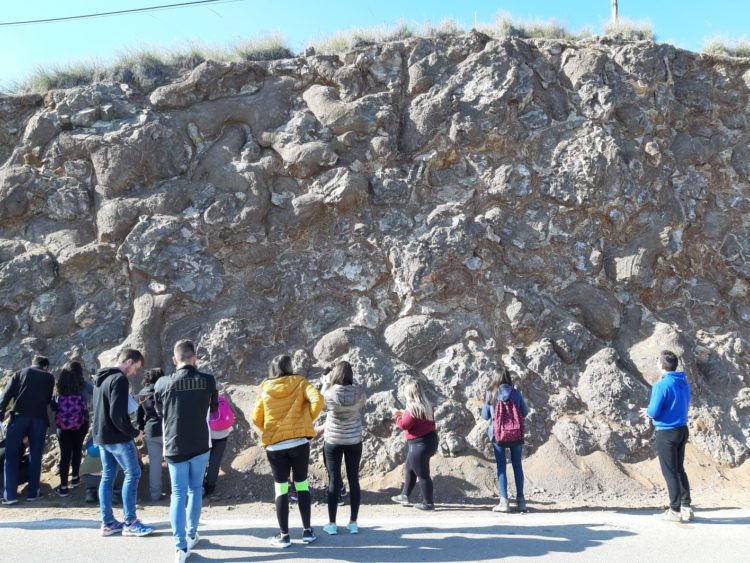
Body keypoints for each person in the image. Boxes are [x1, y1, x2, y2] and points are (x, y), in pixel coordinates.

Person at [154, 340, 218, 563]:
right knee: (195, 490)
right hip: (200, 443)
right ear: (195, 358)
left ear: (175, 360)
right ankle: (192, 534)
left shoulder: (163, 383)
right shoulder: (208, 380)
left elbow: (158, 410)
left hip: (174, 445)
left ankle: (180, 547)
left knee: (178, 494)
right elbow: (214, 410)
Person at [252, 355, 323, 548]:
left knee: (281, 488)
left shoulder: (265, 387)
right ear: (290, 367)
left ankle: (284, 536)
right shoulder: (300, 382)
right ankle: (307, 532)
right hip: (299, 443)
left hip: (275, 446)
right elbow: (318, 400)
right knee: (302, 485)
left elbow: (256, 417)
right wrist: (307, 420)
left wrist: (270, 429)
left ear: (272, 370)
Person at [92, 348, 153, 537]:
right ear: (128, 362)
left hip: (101, 436)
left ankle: (108, 522)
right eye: (135, 367)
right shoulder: (119, 380)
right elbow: (117, 415)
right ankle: (131, 522)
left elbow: (108, 408)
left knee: (108, 476)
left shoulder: (101, 379)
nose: (135, 372)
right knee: (133, 474)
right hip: (117, 437)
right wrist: (135, 432)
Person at [640, 350, 693, 522]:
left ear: (662, 365)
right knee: (679, 469)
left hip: (667, 432)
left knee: (669, 472)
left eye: (657, 361)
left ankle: (674, 511)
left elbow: (654, 411)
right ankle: (686, 507)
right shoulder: (683, 382)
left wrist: (647, 412)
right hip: (682, 429)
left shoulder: (661, 385)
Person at [1, 355, 55, 504]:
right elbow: (48, 398)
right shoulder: (49, 377)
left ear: (33, 363)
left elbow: (5, 395)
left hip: (19, 416)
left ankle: (10, 496)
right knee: (35, 455)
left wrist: (1, 412)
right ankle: (33, 493)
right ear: (45, 366)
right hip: (39, 419)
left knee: (11, 455)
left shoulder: (19, 373)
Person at [320, 361, 366, 535]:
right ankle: (353, 523)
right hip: (354, 439)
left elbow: (321, 404)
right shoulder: (359, 392)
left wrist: (325, 382)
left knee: (334, 480)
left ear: (336, 375)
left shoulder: (329, 393)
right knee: (354, 479)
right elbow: (361, 398)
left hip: (333, 439)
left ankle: (332, 524)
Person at [481, 367, 529, 513]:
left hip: (498, 435)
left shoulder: (491, 394)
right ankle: (521, 501)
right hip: (515, 434)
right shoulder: (516, 393)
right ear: (508, 378)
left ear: (495, 379)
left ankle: (504, 502)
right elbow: (525, 412)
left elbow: (485, 416)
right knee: (517, 466)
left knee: (501, 466)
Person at [391, 379, 438, 511]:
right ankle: (404, 495)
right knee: (410, 468)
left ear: (409, 394)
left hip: (418, 445)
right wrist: (402, 414)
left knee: (422, 474)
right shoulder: (426, 405)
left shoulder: (413, 409)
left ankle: (428, 503)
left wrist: (396, 415)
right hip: (429, 441)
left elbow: (403, 425)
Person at [53, 361, 90, 497]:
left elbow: (54, 408)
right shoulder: (83, 388)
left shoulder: (59, 390)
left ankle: (63, 488)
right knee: (77, 450)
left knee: (65, 455)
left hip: (62, 428)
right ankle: (75, 479)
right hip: (80, 425)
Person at [137, 368, 167, 502]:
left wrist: (141, 429)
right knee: (173, 461)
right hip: (166, 429)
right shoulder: (164, 390)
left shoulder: (142, 393)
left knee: (154, 464)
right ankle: (177, 492)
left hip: (150, 430)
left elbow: (139, 416)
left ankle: (155, 495)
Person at [204, 386, 235, 496]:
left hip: (208, 435)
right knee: (215, 461)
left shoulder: (202, 402)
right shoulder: (222, 399)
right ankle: (211, 486)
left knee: (203, 461)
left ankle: (201, 485)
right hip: (223, 434)